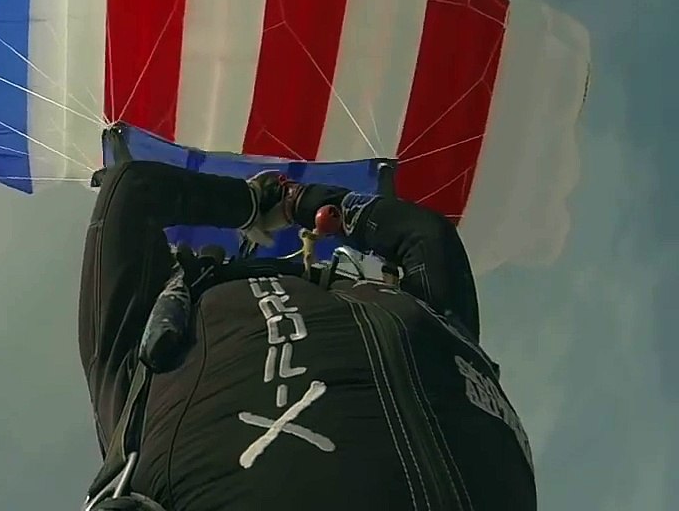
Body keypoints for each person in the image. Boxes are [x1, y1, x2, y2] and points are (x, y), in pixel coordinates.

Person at [78, 159, 536, 511]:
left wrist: (268, 204)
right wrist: (287, 201)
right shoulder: (425, 317)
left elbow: (130, 191)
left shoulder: (137, 349)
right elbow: (425, 235)